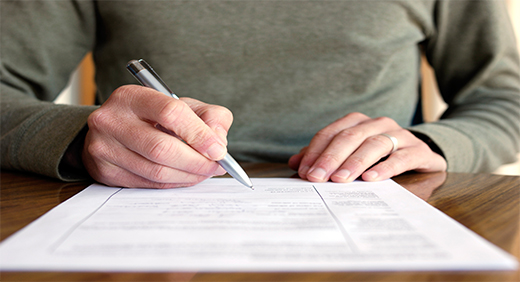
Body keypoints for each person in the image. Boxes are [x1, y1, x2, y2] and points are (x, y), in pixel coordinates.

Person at [1, 0, 519, 189]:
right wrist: (77, 139)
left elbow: (506, 99)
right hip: (137, 201)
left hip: (369, 201)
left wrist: (437, 144)